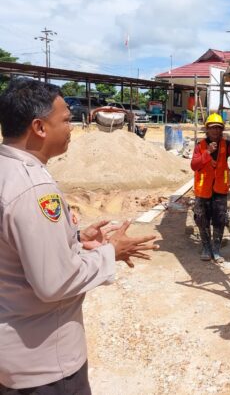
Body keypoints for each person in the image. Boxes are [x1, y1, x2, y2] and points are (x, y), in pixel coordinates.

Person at [0, 78, 158, 394]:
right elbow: (54, 282)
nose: (72, 128)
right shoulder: (34, 189)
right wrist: (110, 252)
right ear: (39, 128)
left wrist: (72, 237)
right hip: (44, 364)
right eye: (66, 120)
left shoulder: (7, 170)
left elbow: (15, 243)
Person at [191, 113, 230, 262]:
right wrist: (207, 152)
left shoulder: (226, 145)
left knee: (219, 219)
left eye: (218, 128)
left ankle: (216, 249)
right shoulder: (200, 145)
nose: (215, 131)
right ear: (207, 129)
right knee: (202, 219)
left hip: (220, 189)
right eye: (212, 128)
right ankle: (206, 248)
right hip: (203, 190)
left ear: (222, 130)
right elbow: (194, 165)